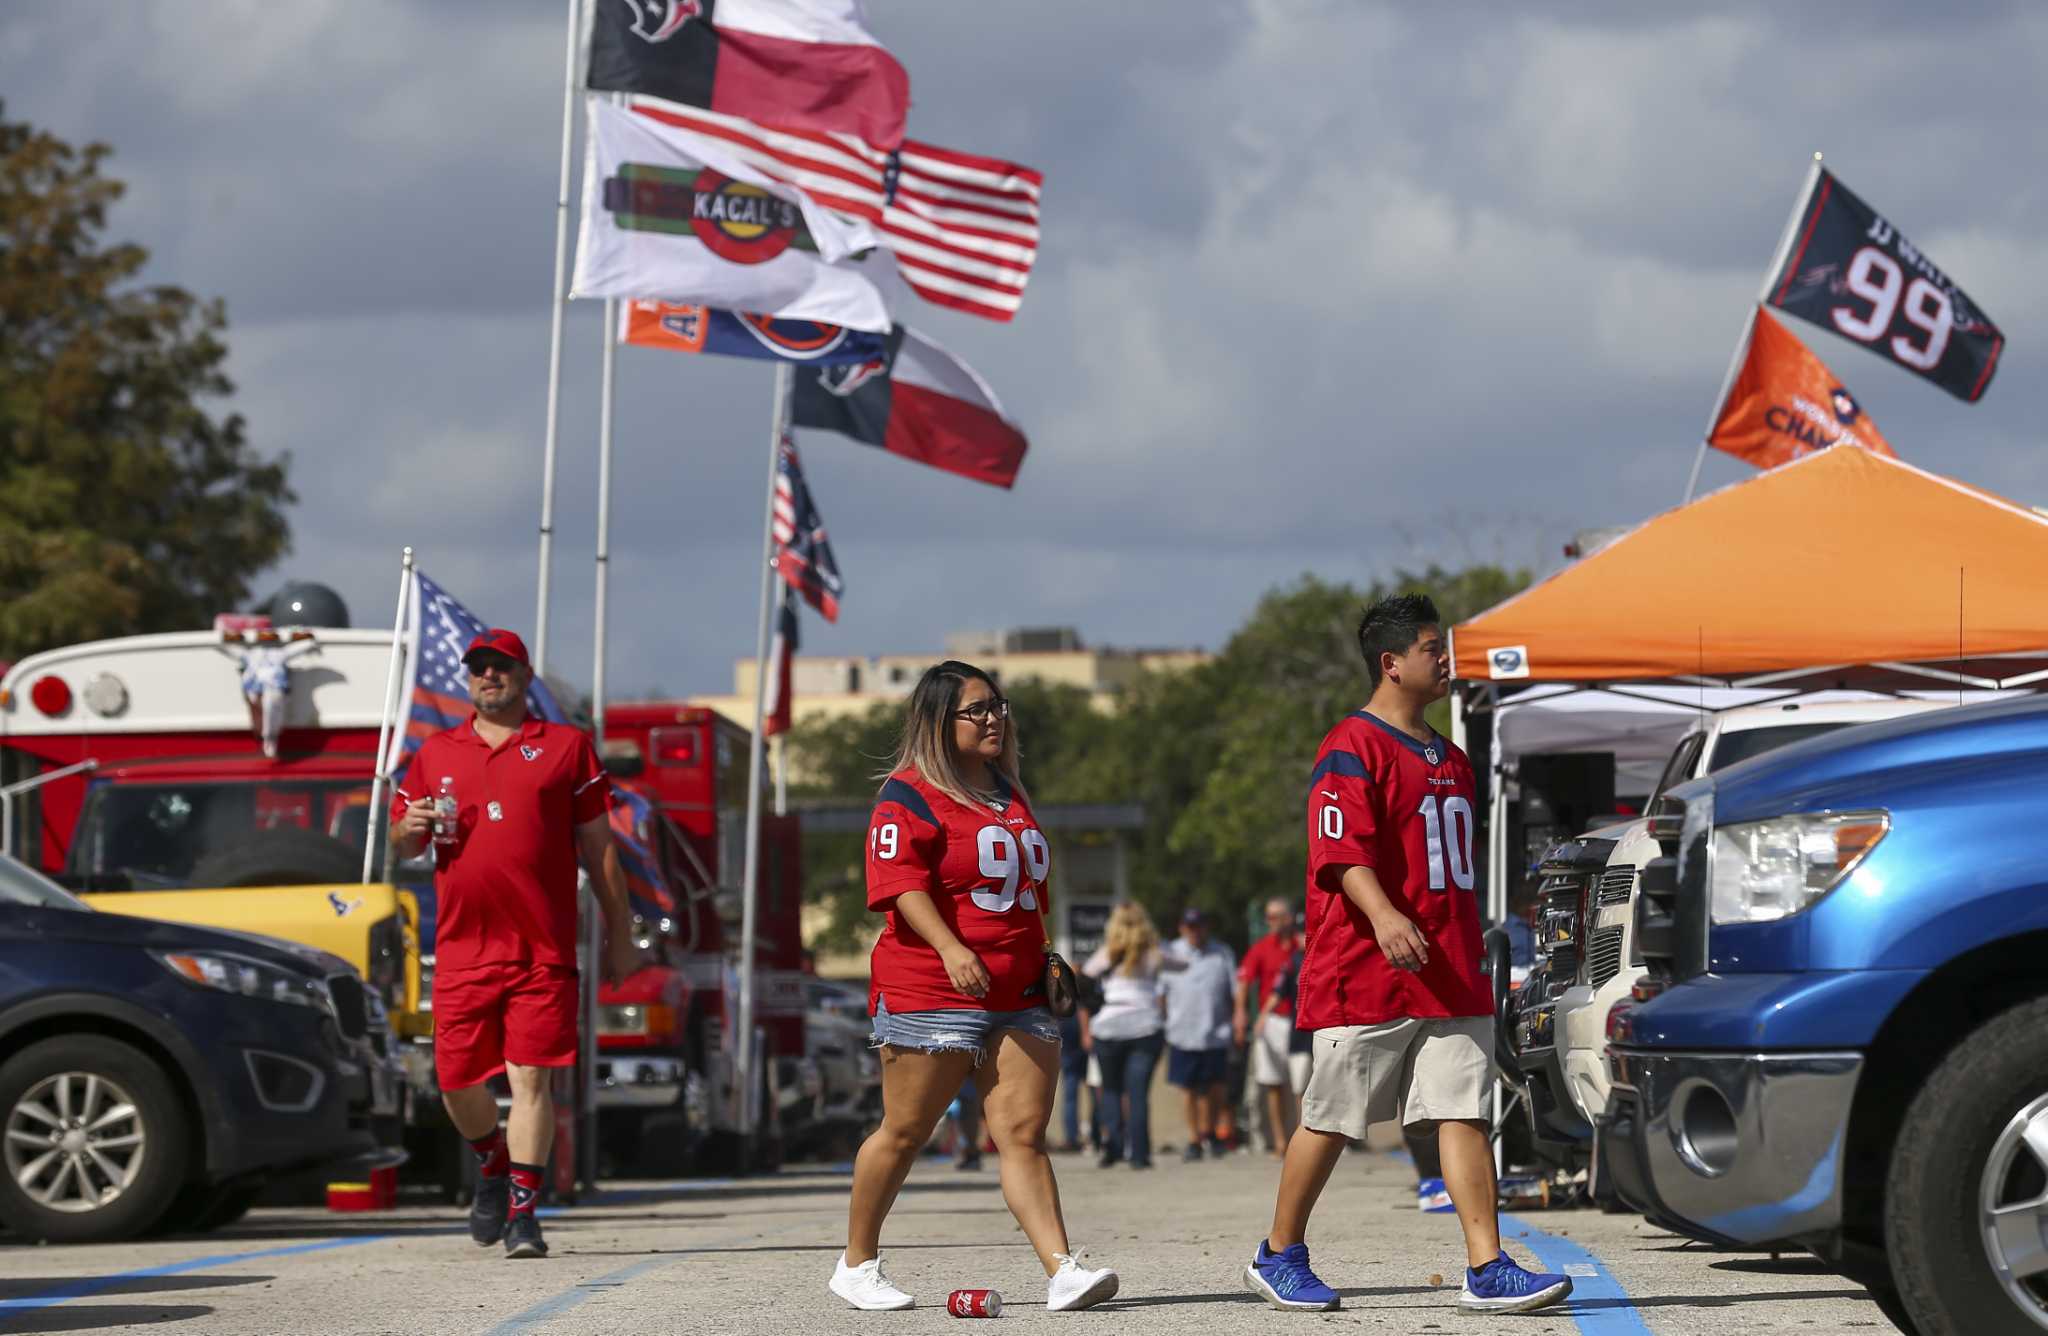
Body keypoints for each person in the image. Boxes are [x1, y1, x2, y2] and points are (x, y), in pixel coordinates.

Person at [1242, 594, 1571, 1314]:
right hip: (1368, 971)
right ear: (1391, 664)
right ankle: (1279, 1252)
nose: (1444, 659)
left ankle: (1486, 1265)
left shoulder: (1451, 756)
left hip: (1448, 967)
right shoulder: (1350, 746)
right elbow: (1340, 851)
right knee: (1332, 1117)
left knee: (1464, 1112)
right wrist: (1385, 914)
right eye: (1431, 648)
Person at [832, 661, 1119, 1313]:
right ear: (939, 719)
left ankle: (1063, 1269)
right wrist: (950, 946)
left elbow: (1025, 892)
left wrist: (1046, 955)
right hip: (932, 986)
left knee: (1022, 1135)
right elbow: (901, 885)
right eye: (977, 710)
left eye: (999, 706)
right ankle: (856, 1263)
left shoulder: (1006, 787)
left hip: (1017, 990)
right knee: (905, 1132)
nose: (994, 719)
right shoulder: (907, 794)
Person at [389, 628, 638, 1261]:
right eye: (478, 668)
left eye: (501, 667)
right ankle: (493, 1166)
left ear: (526, 678)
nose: (488, 676)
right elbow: (403, 843)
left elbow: (599, 849)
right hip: (462, 949)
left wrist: (621, 933)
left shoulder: (565, 748)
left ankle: (525, 1215)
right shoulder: (434, 753)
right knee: (454, 1080)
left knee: (532, 1082)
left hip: (542, 949)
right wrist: (407, 828)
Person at [1081, 902, 1177, 1170]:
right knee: (1137, 1093)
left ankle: (1111, 1148)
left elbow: (1084, 976)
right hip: (1145, 1025)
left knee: (1110, 1089)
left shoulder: (1107, 954)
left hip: (1108, 1025)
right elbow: (1183, 964)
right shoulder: (1154, 953)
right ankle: (1140, 1154)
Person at [1235, 898, 1310, 1155]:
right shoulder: (1261, 948)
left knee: (1304, 1085)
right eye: (1269, 917)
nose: (1272, 922)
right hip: (1275, 1020)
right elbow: (1245, 982)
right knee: (1273, 1084)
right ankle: (1280, 1140)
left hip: (1304, 1022)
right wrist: (1241, 1013)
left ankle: (1306, 1143)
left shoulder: (1305, 946)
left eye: (1277, 916)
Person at [1161, 908, 1236, 1160]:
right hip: (1182, 1031)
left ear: (1206, 927)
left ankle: (1211, 1132)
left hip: (1216, 1031)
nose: (1194, 932)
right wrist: (1164, 1022)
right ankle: (1194, 1138)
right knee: (1188, 1089)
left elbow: (1234, 991)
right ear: (1182, 928)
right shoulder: (1170, 952)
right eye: (1189, 926)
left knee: (1216, 1087)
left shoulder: (1222, 953)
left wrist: (1236, 1022)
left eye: (1199, 926)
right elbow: (1161, 993)